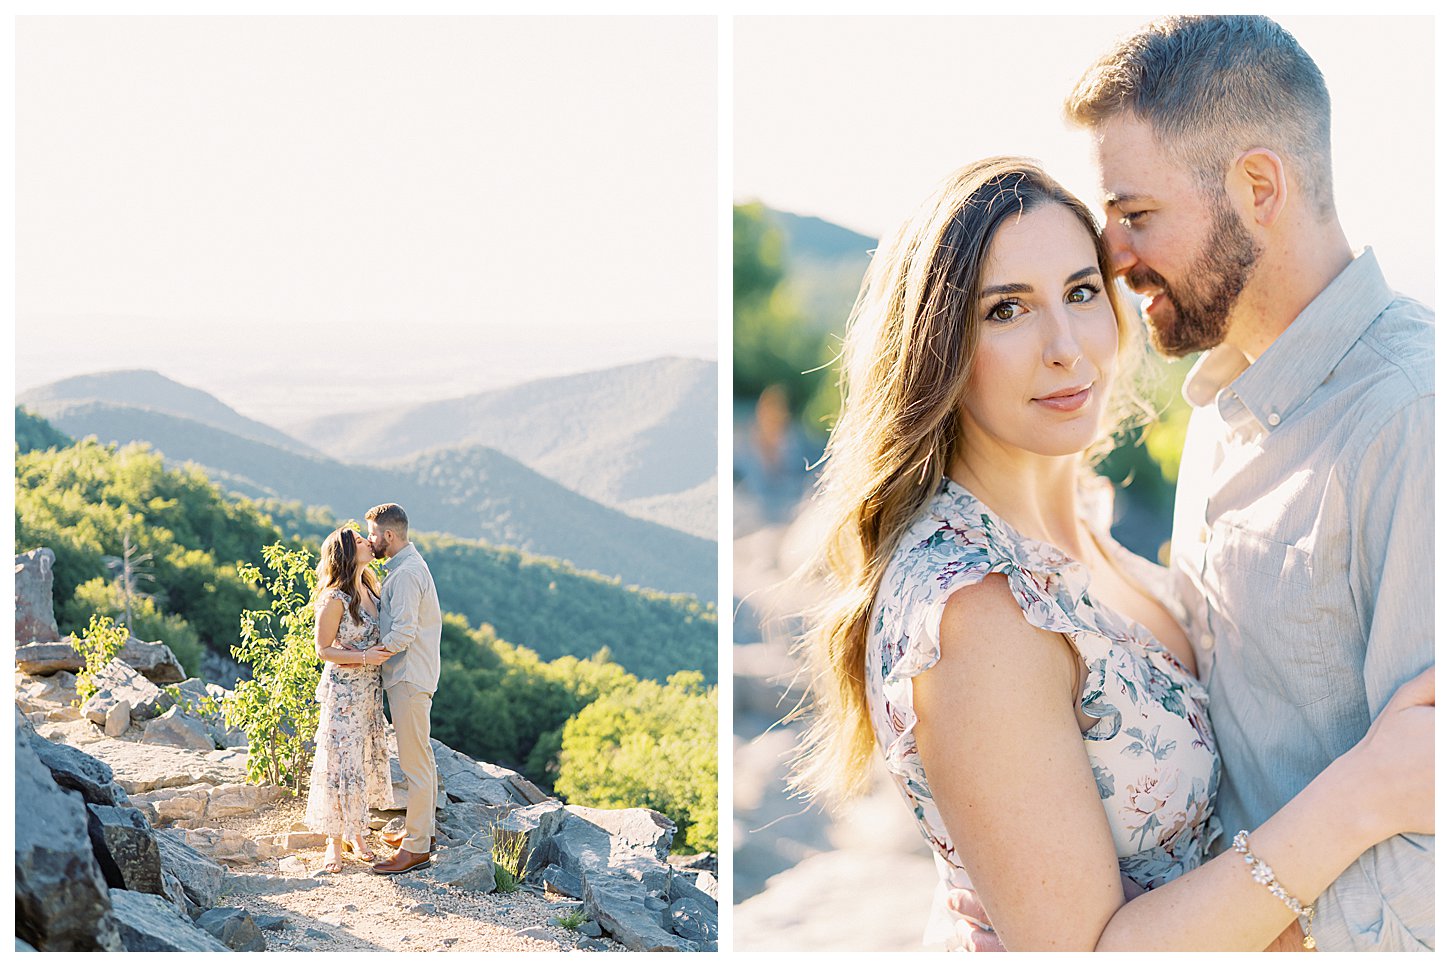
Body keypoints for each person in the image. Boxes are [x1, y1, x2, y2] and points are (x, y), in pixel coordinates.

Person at [787, 155, 1434, 951]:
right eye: (1007, 310)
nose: (1066, 345)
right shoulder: (976, 611)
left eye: (1081, 292)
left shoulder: (1076, 521)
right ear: (936, 349)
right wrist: (1364, 794)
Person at [949, 16, 1435, 951]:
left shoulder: (1415, 421)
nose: (1114, 260)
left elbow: (1428, 834)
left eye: (1135, 215)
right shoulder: (1221, 401)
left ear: (1259, 187)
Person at [304, 526, 393, 874]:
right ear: (345, 553)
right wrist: (365, 657)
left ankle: (357, 834)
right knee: (340, 761)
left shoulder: (371, 586)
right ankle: (333, 841)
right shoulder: (333, 598)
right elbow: (323, 649)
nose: (367, 543)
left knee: (362, 757)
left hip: (369, 691)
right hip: (343, 691)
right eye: (359, 541)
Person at [364, 502, 443, 875]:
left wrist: (367, 656)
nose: (370, 540)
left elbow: (405, 632)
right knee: (421, 759)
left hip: (409, 676)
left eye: (374, 534)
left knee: (415, 763)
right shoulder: (407, 567)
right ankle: (420, 833)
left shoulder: (407, 574)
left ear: (389, 536)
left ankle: (416, 850)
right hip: (412, 675)